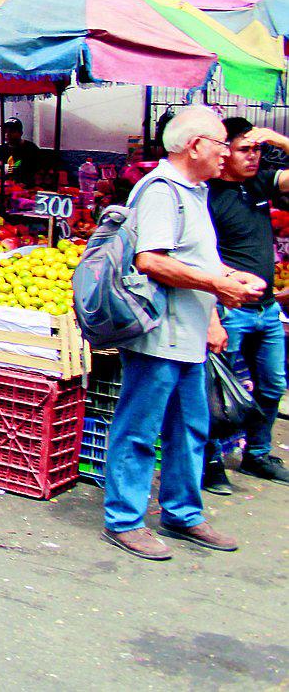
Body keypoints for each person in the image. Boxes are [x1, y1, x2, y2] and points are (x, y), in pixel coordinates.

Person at [102, 107, 264, 561]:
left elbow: (196, 258)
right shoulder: (160, 192)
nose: (226, 153)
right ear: (195, 146)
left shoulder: (195, 192)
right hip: (159, 335)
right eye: (221, 145)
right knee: (139, 428)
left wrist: (225, 283)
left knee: (190, 428)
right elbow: (150, 260)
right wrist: (216, 284)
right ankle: (124, 520)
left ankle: (183, 512)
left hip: (191, 335)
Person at [201, 118, 289, 493]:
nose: (253, 157)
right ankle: (211, 461)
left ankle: (257, 453)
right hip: (229, 309)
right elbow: (198, 258)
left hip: (267, 309)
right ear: (225, 152)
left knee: (272, 386)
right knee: (219, 393)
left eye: (256, 149)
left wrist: (276, 139)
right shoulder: (207, 195)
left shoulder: (259, 183)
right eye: (244, 149)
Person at [0, 117, 42, 186]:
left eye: (11, 131)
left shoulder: (31, 148)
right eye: (5, 131)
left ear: (20, 133)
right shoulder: (1, 149)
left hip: (26, 188)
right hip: (5, 186)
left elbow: (39, 173)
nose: (7, 134)